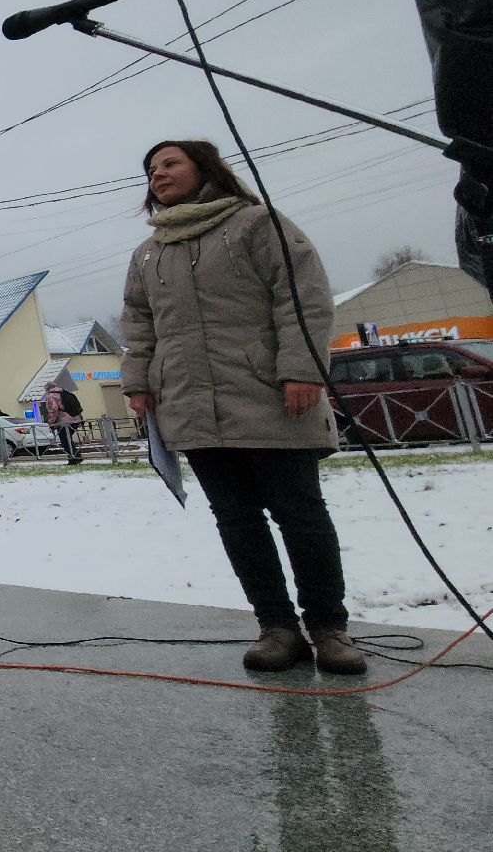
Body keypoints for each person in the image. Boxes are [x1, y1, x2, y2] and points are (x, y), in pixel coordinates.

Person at [120, 139, 365, 677]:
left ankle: (329, 628)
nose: (158, 174)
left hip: (269, 395)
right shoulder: (148, 252)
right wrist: (138, 383)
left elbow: (302, 295)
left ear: (204, 169)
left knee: (299, 515)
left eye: (170, 163)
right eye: (151, 167)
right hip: (189, 404)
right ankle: (277, 628)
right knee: (236, 519)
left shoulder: (257, 223)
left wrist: (302, 368)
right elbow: (139, 323)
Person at [42, 383, 84, 464]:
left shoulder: (51, 396)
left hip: (64, 421)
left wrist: (50, 423)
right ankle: (75, 456)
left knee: (65, 440)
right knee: (68, 439)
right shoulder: (64, 393)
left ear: (48, 389)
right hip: (76, 419)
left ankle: (73, 458)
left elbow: (53, 410)